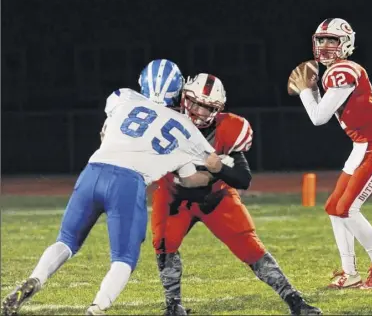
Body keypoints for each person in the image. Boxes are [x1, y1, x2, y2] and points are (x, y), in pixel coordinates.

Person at [2, 59, 220, 316]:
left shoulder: (123, 98)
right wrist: (214, 176)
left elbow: (105, 135)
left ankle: (35, 279)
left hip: (93, 170)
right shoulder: (183, 125)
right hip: (127, 183)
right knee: (124, 259)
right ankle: (97, 308)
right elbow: (196, 174)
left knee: (66, 241)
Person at [152, 73, 322, 315]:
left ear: (217, 109)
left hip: (216, 198)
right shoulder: (166, 121)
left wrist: (219, 168)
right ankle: (173, 306)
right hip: (174, 198)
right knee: (164, 244)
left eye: (205, 106)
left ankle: (295, 301)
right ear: (183, 98)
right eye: (193, 102)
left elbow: (244, 178)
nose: (197, 111)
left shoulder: (229, 128)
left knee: (250, 247)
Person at [288, 18, 372, 289]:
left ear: (346, 43)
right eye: (321, 40)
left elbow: (319, 117)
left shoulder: (343, 70)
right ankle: (349, 272)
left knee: (347, 208)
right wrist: (312, 90)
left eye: (332, 40)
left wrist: (305, 91)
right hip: (362, 145)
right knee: (334, 208)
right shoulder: (334, 72)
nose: (325, 46)